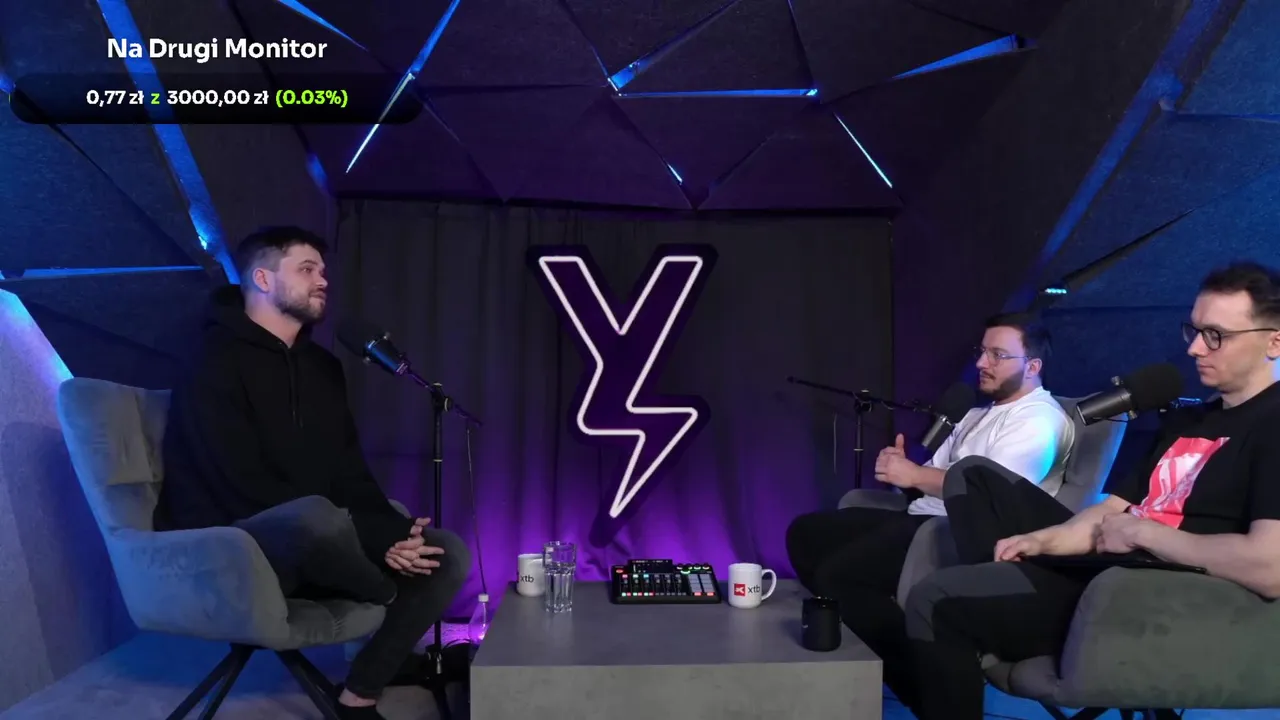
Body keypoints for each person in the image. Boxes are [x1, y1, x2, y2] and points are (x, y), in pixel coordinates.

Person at [901, 261, 1280, 720]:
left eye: (1216, 335)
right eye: (1195, 331)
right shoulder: (1188, 420)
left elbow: (1270, 567)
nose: (1196, 348)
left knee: (937, 601)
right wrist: (1045, 540)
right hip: (1105, 571)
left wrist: (1145, 534)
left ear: (1274, 342)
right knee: (974, 480)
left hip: (1149, 602)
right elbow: (1111, 510)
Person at [155, 226, 470, 720]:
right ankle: (391, 591)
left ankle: (359, 694)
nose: (322, 280)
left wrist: (391, 533)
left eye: (322, 271)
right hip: (231, 536)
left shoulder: (323, 367)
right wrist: (374, 540)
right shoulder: (210, 359)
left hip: (320, 536)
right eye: (306, 270)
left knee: (446, 552)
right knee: (316, 518)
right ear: (262, 278)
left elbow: (348, 468)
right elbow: (236, 480)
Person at [784, 312, 1074, 702]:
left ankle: (925, 686)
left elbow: (988, 495)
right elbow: (933, 476)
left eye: (997, 355)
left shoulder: (1038, 420)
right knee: (807, 535)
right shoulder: (977, 414)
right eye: (982, 351)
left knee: (840, 578)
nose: (981, 363)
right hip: (925, 516)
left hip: (965, 534)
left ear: (1033, 367)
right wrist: (903, 471)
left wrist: (915, 475)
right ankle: (876, 661)